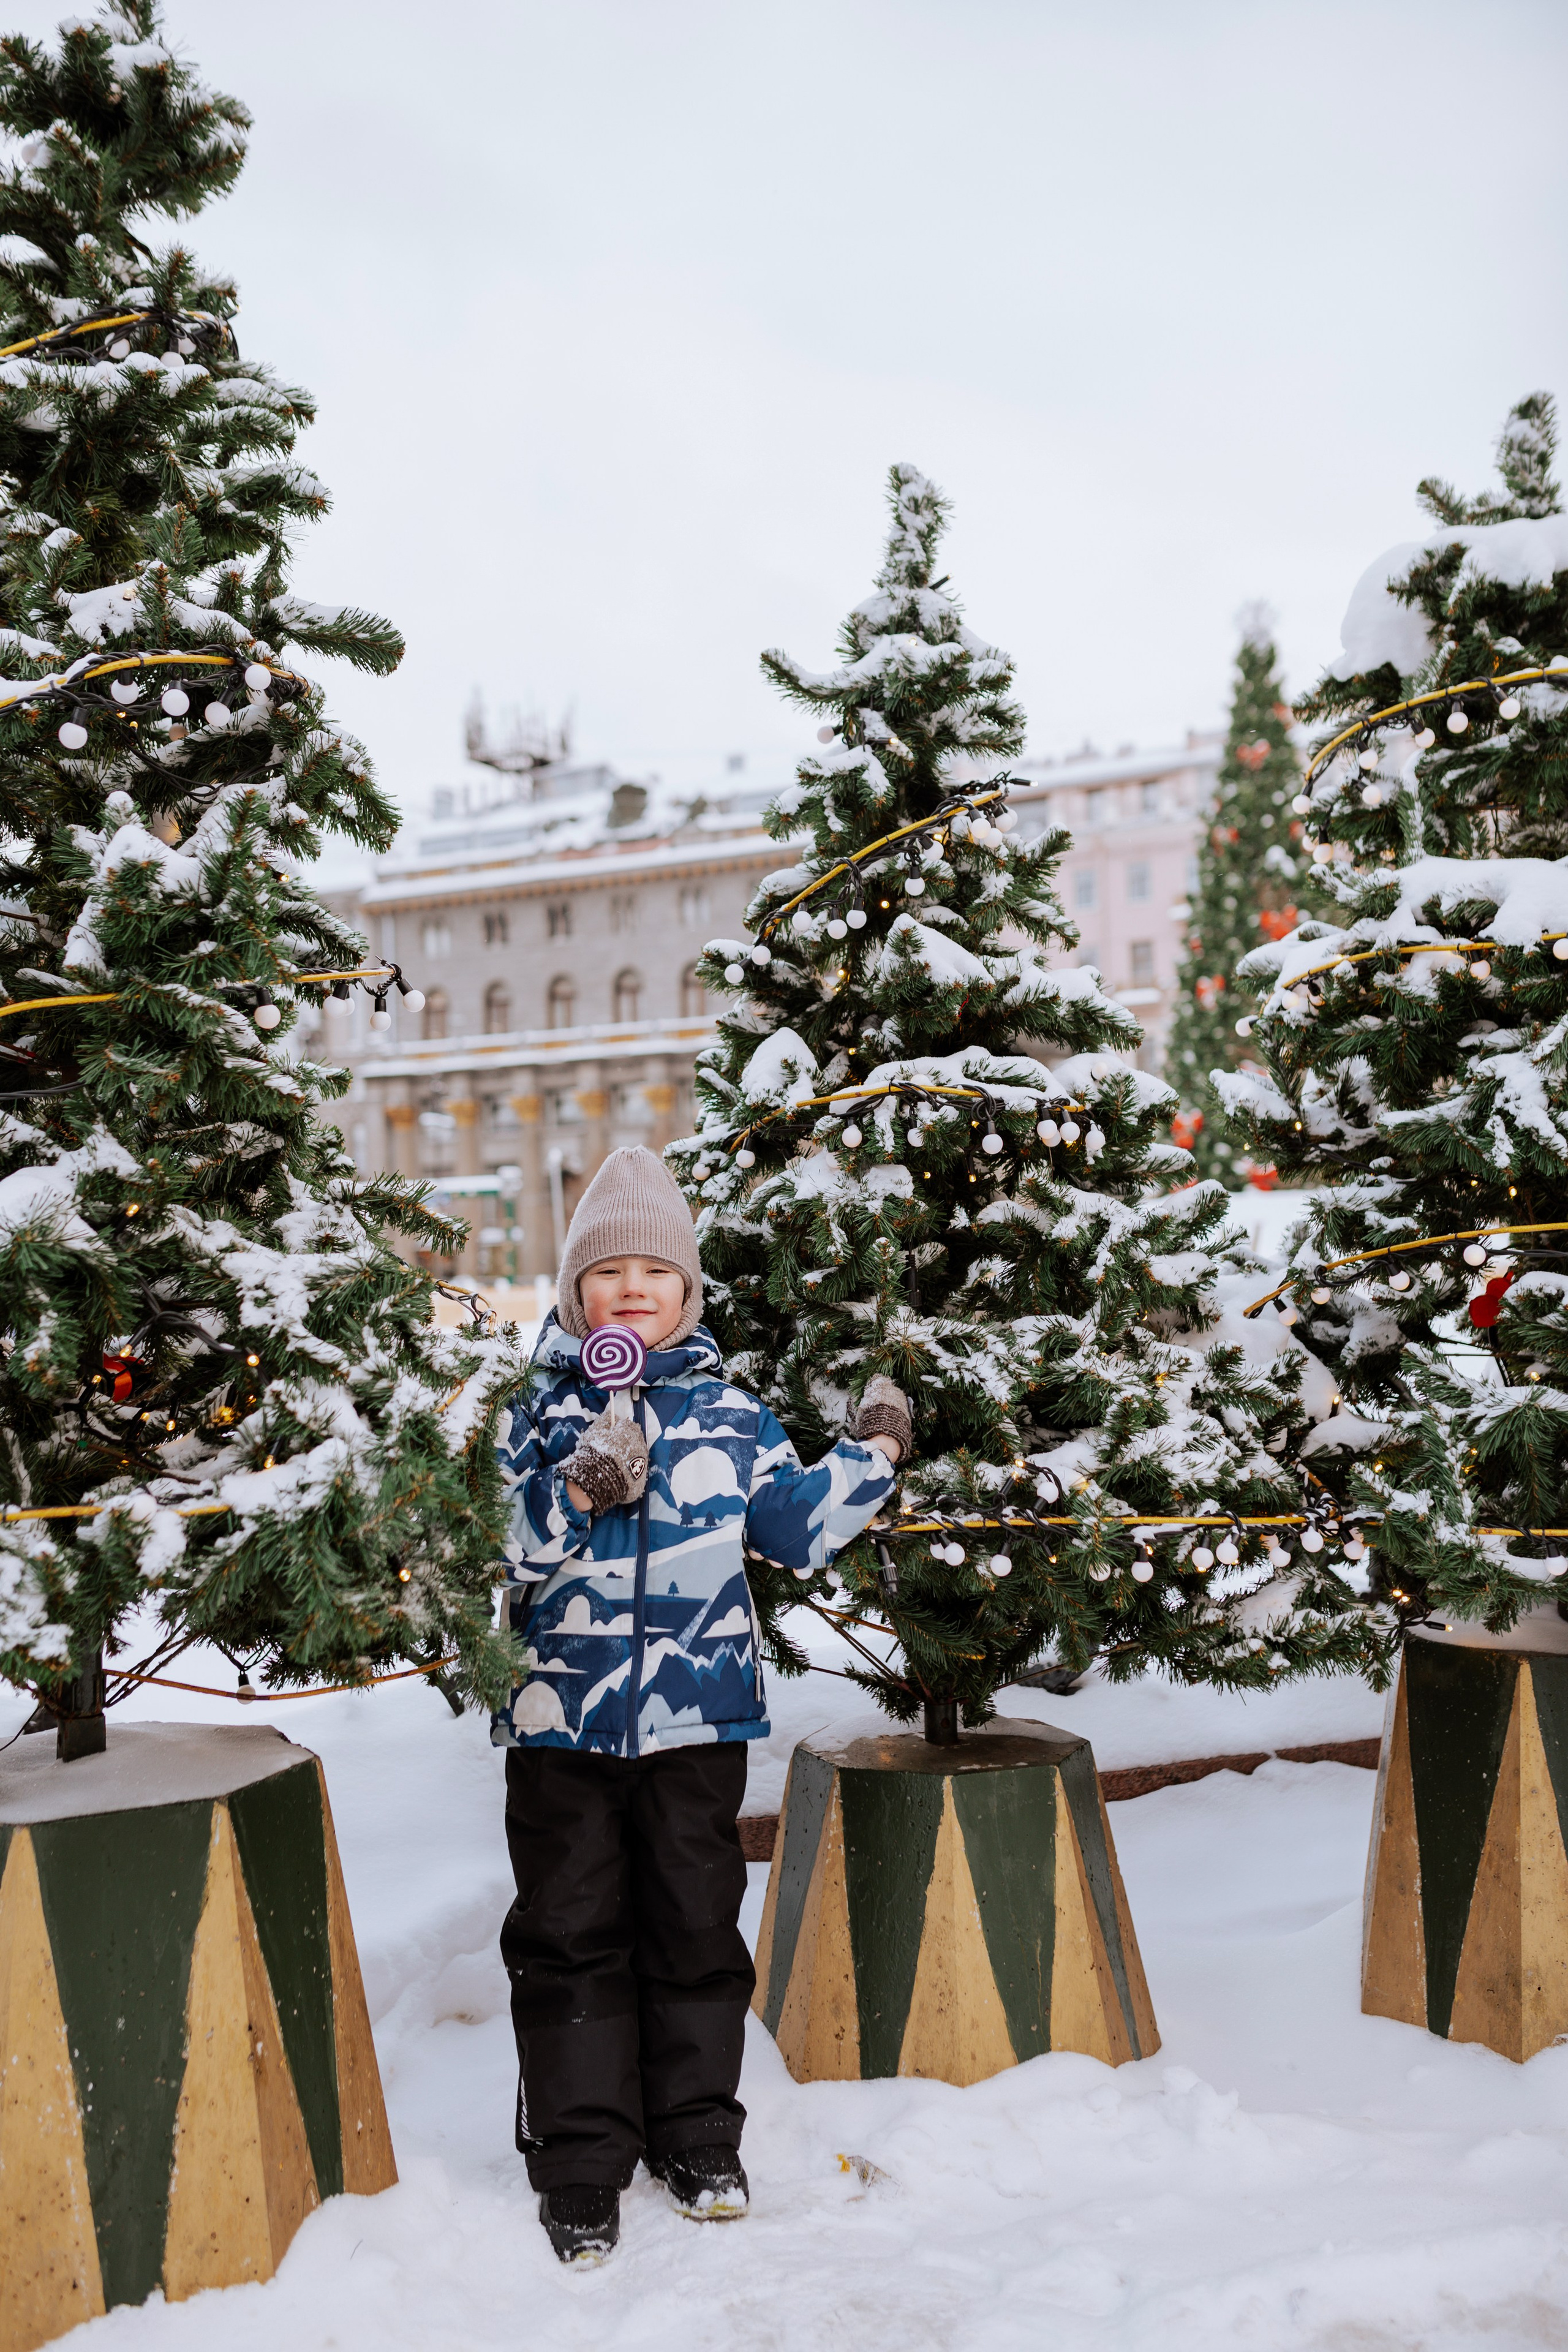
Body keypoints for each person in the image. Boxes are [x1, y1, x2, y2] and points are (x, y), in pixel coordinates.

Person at [493, 1146, 911, 2266]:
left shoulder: (731, 1414)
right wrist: (577, 1486)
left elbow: (795, 1528)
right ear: (575, 1293)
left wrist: (874, 1451)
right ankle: (580, 2160)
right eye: (607, 1271)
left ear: (687, 1293)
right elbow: (492, 1545)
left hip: (697, 1728)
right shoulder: (532, 1416)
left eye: (655, 1272)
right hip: (559, 1728)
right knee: (570, 1931)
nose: (632, 1288)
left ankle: (697, 2135)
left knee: (694, 1925)